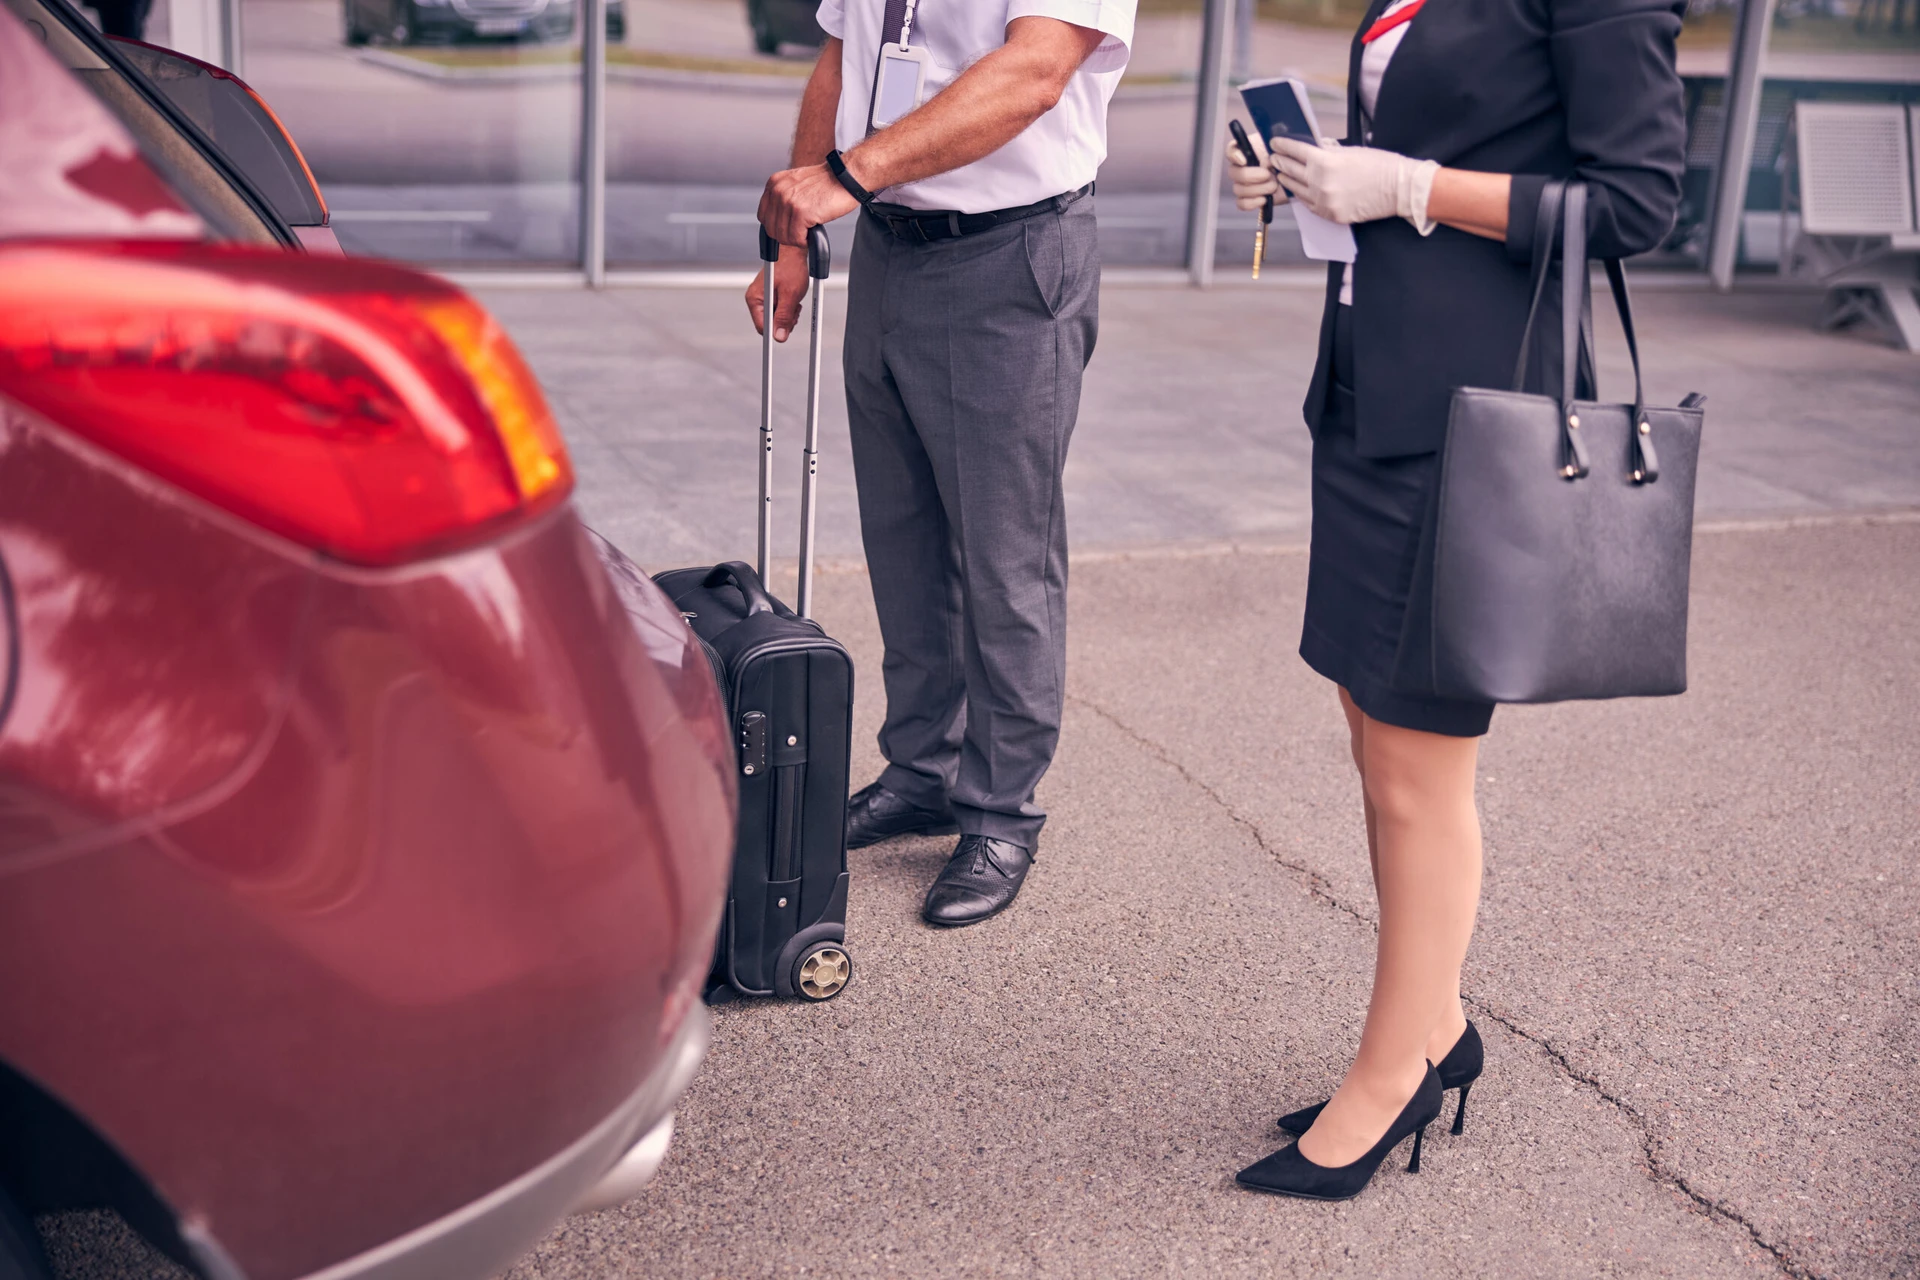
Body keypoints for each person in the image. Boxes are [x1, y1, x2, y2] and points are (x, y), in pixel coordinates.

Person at [1224, 0, 1687, 1199]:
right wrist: (1314, 182)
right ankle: (1434, 1024)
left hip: (1472, 421)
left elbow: (1637, 207)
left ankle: (1392, 1078)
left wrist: (1414, 188)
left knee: (1421, 770)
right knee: (1376, 740)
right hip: (1369, 393)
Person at [748, 0, 1136, 927]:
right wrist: (794, 233)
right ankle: (924, 771)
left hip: (1007, 257)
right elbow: (843, 58)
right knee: (903, 538)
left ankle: (1001, 810)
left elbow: (1036, 72)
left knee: (1006, 560)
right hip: (890, 248)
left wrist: (847, 175)